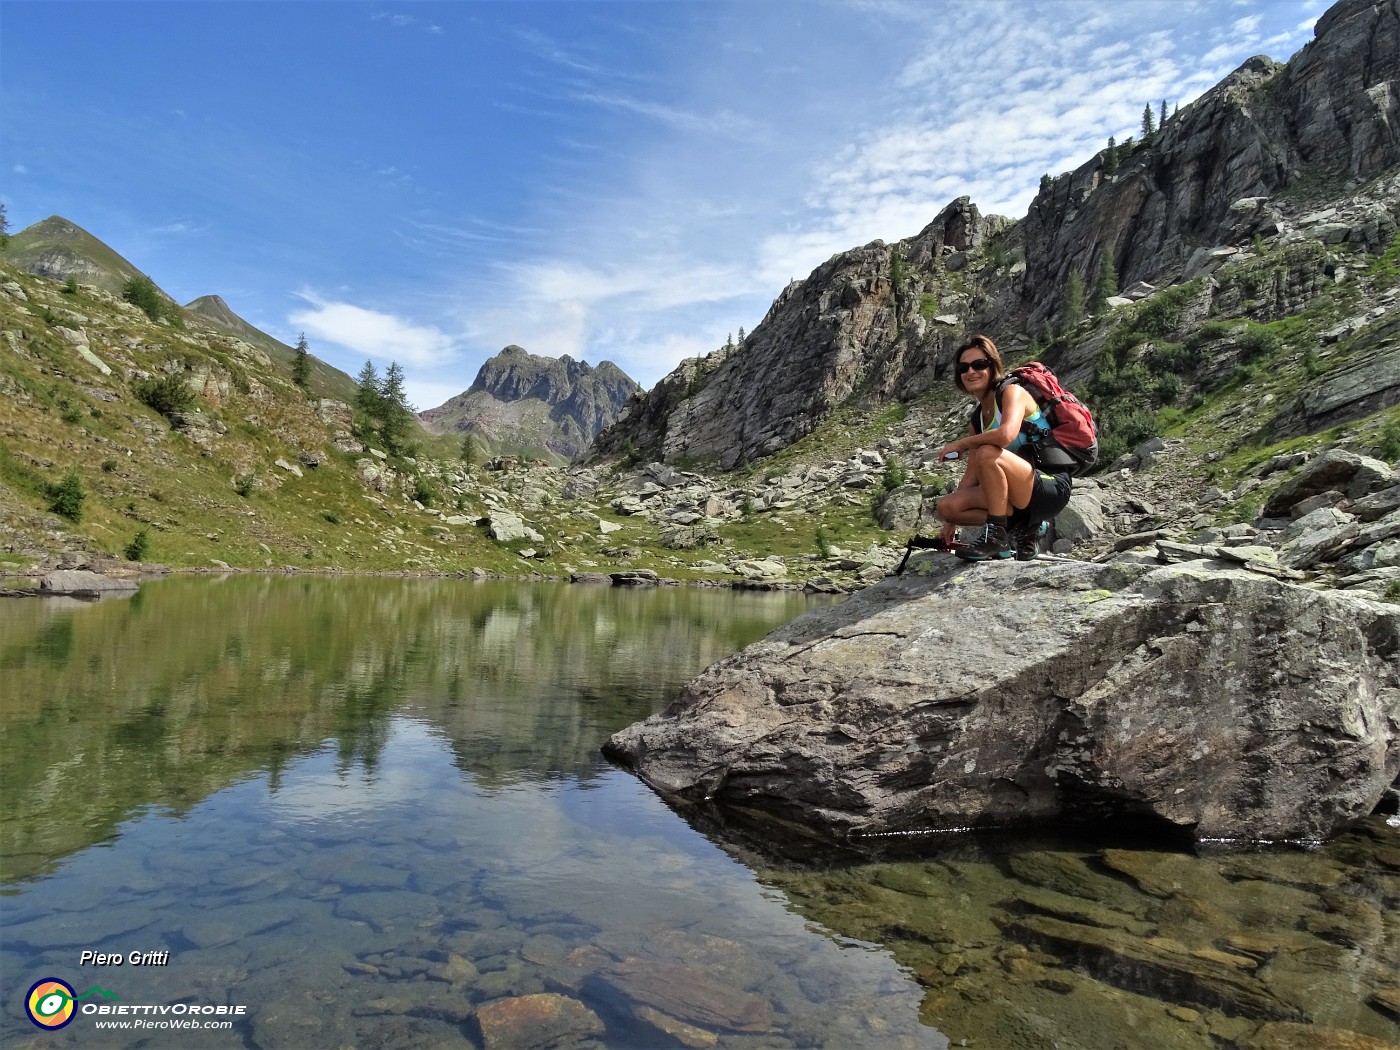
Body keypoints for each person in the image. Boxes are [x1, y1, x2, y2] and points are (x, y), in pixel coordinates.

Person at [935, 335, 1073, 560]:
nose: (971, 372)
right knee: (948, 507)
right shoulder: (977, 419)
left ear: (993, 366)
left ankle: (997, 537)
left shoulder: (1012, 392)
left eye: (979, 364)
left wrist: (962, 444)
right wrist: (951, 523)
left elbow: (1005, 434)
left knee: (988, 451)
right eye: (964, 367)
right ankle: (1025, 528)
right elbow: (971, 476)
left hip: (1050, 485)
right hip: (1016, 493)